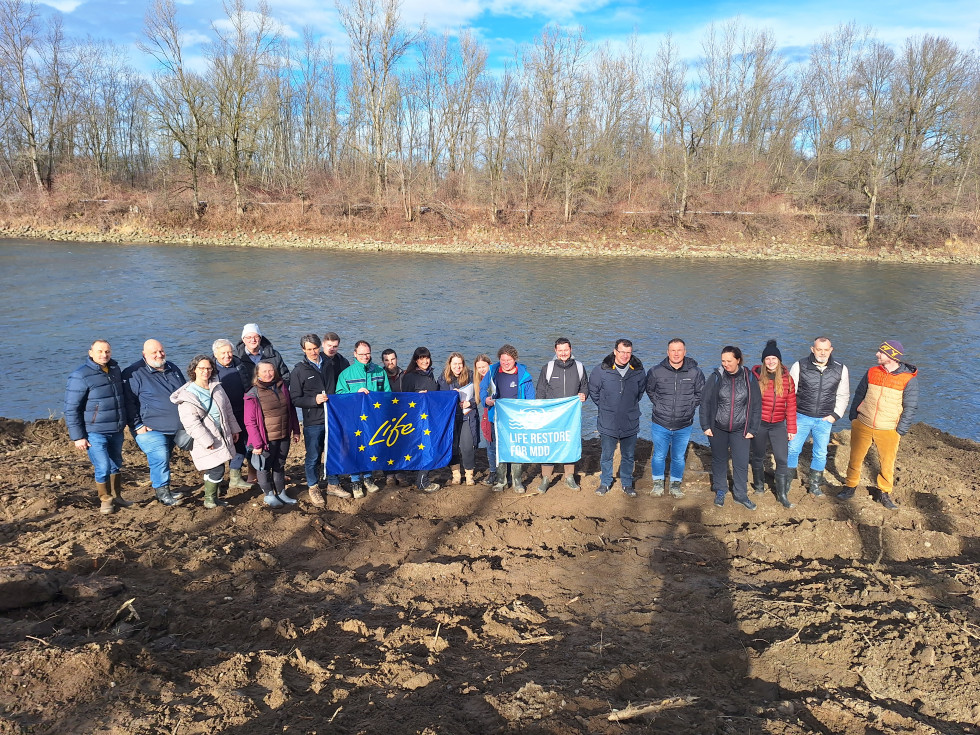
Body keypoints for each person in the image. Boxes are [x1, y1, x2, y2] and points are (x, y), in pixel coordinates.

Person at [840, 340, 919, 509]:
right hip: (863, 423)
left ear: (891, 356)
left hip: (889, 429)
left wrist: (900, 430)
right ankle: (850, 486)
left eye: (881, 352)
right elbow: (859, 394)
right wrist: (854, 416)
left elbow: (910, 406)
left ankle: (883, 493)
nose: (877, 354)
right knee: (855, 458)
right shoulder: (871, 372)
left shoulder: (908, 379)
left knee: (887, 463)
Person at [64, 339, 130, 515]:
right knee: (102, 466)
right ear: (90, 353)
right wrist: (78, 437)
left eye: (107, 351)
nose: (104, 355)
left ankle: (117, 497)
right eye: (100, 351)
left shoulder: (115, 370)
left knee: (116, 463)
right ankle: (105, 500)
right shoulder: (80, 375)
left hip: (116, 429)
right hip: (94, 431)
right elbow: (71, 408)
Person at [170, 355, 242, 509]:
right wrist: (206, 441)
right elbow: (191, 423)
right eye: (201, 368)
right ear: (193, 370)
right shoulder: (187, 395)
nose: (206, 371)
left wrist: (234, 428)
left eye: (209, 368)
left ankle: (213, 498)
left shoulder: (216, 386)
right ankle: (209, 499)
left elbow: (227, 409)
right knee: (216, 468)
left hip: (222, 433)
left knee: (218, 466)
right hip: (205, 438)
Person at [122, 339, 187, 507]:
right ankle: (162, 492)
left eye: (161, 351)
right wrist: (137, 425)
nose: (159, 355)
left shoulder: (172, 368)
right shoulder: (133, 373)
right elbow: (128, 403)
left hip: (175, 426)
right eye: (154, 352)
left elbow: (184, 391)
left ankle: (165, 488)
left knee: (166, 458)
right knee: (160, 457)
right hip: (150, 428)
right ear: (144, 354)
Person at [699, 346, 762, 510]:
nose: (725, 364)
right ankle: (720, 490)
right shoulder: (716, 377)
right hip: (718, 427)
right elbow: (705, 402)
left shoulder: (749, 378)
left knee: (740, 462)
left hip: (741, 429)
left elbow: (756, 405)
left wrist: (752, 429)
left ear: (738, 360)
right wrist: (705, 425)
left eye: (729, 361)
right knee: (719, 460)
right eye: (723, 361)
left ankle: (741, 495)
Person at [289, 333, 347, 507]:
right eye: (309, 349)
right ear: (303, 350)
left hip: (333, 417)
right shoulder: (299, 370)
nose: (313, 352)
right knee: (313, 456)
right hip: (313, 420)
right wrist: (313, 401)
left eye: (315, 348)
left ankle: (333, 483)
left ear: (319, 347)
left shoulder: (331, 363)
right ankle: (313, 487)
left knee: (333, 452)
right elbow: (295, 398)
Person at [788, 336, 850, 497]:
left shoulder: (840, 369)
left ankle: (814, 484)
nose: (822, 353)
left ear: (831, 350)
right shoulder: (799, 366)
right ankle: (788, 481)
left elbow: (843, 395)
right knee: (793, 449)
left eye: (825, 350)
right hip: (801, 416)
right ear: (812, 349)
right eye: (819, 349)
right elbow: (789, 393)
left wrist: (835, 415)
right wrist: (790, 417)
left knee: (820, 453)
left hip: (824, 420)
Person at [645, 338, 705, 499]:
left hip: (684, 423)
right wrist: (659, 404)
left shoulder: (695, 372)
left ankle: (675, 485)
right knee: (659, 455)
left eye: (679, 350)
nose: (676, 353)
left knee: (678, 456)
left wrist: (690, 406)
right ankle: (658, 484)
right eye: (673, 350)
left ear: (685, 352)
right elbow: (650, 390)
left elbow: (700, 393)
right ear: (667, 352)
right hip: (660, 422)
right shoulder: (656, 371)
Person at [589, 339, 647, 497]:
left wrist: (627, 406)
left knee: (628, 455)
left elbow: (640, 392)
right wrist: (606, 406)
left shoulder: (638, 371)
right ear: (615, 351)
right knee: (607, 454)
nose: (625, 356)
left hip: (630, 420)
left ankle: (627, 483)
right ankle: (605, 482)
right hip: (608, 421)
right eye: (622, 352)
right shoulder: (601, 370)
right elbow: (593, 391)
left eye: (628, 352)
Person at [335, 340, 390, 498]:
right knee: (354, 447)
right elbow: (339, 396)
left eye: (367, 354)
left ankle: (368, 478)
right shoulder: (346, 374)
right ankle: (355, 481)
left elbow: (386, 393)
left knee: (370, 446)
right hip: (353, 418)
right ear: (355, 354)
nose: (365, 357)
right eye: (361, 354)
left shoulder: (379, 371)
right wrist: (355, 393)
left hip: (373, 417)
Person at [244, 360, 301, 508]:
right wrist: (257, 444)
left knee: (279, 465)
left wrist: (296, 430)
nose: (268, 374)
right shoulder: (252, 393)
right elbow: (250, 422)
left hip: (283, 436)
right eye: (264, 371)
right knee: (264, 468)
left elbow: (291, 410)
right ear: (258, 374)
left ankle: (281, 493)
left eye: (271, 371)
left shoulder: (282, 387)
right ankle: (269, 495)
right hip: (265, 439)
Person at [535, 337, 588, 493]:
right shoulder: (548, 368)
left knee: (569, 444)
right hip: (551, 415)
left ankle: (569, 477)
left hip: (571, 415)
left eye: (566, 350)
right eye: (560, 350)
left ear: (571, 349)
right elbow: (540, 391)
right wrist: (541, 412)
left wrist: (584, 394)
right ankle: (545, 478)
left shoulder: (579, 367)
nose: (563, 353)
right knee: (549, 445)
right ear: (555, 351)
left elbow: (585, 386)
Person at [481, 345, 536, 493]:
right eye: (503, 359)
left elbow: (531, 398)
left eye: (509, 360)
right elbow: (482, 389)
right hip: (497, 416)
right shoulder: (492, 371)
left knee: (516, 449)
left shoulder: (524, 375)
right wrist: (485, 400)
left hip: (517, 418)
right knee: (499, 449)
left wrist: (528, 414)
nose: (505, 362)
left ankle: (517, 481)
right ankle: (501, 480)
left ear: (515, 359)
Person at [750, 340, 797, 509]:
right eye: (767, 359)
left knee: (781, 459)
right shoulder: (755, 378)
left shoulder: (787, 380)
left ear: (779, 361)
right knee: (758, 456)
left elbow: (791, 405)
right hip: (760, 424)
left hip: (778, 425)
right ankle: (759, 486)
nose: (771, 362)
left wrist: (791, 428)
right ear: (763, 361)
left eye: (774, 359)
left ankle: (782, 494)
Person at [212, 339, 254, 492]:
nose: (227, 355)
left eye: (229, 352)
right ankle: (215, 482)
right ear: (215, 354)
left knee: (241, 445)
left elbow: (249, 384)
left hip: (242, 411)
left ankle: (235, 478)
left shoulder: (239, 364)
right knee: (220, 447)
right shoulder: (210, 369)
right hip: (220, 415)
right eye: (223, 353)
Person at [402, 347, 443, 493]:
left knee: (428, 447)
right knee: (425, 448)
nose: (424, 361)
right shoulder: (409, 377)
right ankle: (422, 480)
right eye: (421, 358)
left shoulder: (431, 375)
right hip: (417, 420)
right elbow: (404, 399)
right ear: (416, 360)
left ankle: (421, 478)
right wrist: (417, 396)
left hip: (430, 418)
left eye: (427, 358)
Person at [439, 352, 479, 486]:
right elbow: (439, 399)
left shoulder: (472, 375)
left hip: (467, 416)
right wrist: (451, 396)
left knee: (468, 446)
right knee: (453, 446)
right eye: (454, 364)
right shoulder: (443, 379)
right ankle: (456, 474)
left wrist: (471, 403)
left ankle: (469, 475)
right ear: (449, 364)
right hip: (451, 418)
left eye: (460, 364)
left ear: (463, 364)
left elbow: (479, 395)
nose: (457, 367)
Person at [473, 354, 494, 484]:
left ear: (489, 365)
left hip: (497, 413)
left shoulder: (495, 377)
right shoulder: (477, 380)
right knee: (489, 444)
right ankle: (493, 472)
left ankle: (503, 471)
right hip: (486, 415)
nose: (482, 369)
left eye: (484, 366)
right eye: (479, 367)